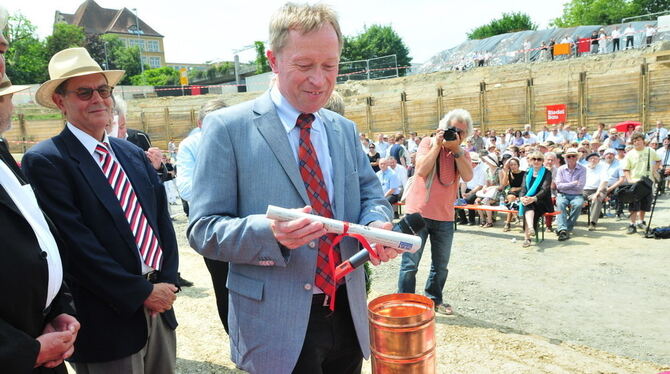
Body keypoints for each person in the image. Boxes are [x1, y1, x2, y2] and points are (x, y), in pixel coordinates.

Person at [186, 4, 401, 373]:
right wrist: (268, 234)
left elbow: (371, 196)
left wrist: (377, 225)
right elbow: (203, 230)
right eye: (304, 66)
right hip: (274, 324)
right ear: (273, 60)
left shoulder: (342, 129)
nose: (319, 80)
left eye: (330, 66)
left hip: (345, 311)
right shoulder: (227, 128)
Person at [22, 47, 180, 373]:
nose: (98, 99)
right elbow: (76, 245)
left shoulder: (130, 153)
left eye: (103, 90)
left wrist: (166, 281)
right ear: (59, 102)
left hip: (159, 307)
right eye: (84, 92)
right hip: (107, 320)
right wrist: (140, 292)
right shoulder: (48, 161)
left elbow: (161, 221)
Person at [0, 48, 81, 373]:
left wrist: (56, 307)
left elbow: (37, 238)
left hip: (42, 342)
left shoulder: (2, 152)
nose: (11, 102)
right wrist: (20, 351)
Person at [398, 109, 474, 316]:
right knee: (409, 263)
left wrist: (456, 149)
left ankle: (434, 299)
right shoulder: (427, 142)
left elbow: (468, 176)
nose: (456, 134)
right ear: (443, 127)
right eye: (453, 130)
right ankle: (405, 301)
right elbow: (421, 171)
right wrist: (438, 145)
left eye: (462, 132)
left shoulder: (462, 152)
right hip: (418, 213)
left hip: (445, 216)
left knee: (441, 265)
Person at [174, 97, 230, 332]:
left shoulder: (242, 139)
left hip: (246, 225)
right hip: (214, 228)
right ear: (199, 124)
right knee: (223, 286)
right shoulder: (190, 146)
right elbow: (185, 189)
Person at [623, 133, 660, 234]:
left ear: (643, 141)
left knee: (645, 203)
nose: (636, 142)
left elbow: (658, 160)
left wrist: (654, 170)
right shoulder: (630, 154)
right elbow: (626, 169)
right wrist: (629, 180)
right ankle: (632, 224)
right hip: (635, 182)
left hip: (647, 181)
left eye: (638, 140)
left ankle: (641, 221)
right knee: (633, 203)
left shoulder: (650, 151)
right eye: (634, 141)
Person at [519, 151, 554, 248]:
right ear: (530, 161)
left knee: (529, 205)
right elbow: (523, 189)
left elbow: (545, 189)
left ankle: (527, 238)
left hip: (542, 200)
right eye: (534, 159)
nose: (536, 161)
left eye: (539, 159)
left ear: (542, 161)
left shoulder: (547, 173)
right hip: (528, 199)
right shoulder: (527, 173)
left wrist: (534, 198)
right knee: (527, 204)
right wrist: (522, 197)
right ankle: (530, 229)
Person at [554, 148, 586, 241]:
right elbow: (559, 186)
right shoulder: (560, 169)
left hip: (577, 195)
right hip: (563, 194)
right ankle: (563, 229)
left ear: (577, 157)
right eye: (569, 156)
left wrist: (566, 185)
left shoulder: (583, 169)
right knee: (560, 204)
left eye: (573, 156)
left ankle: (564, 228)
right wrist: (573, 183)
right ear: (566, 158)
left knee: (578, 204)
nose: (571, 158)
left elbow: (580, 186)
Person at [475, 153, 504, 227]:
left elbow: (501, 186)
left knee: (486, 201)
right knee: (477, 201)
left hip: (498, 193)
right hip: (488, 192)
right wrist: (485, 187)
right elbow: (486, 183)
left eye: (487, 161)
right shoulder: (487, 170)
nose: (485, 162)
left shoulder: (499, 171)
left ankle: (490, 221)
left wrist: (491, 187)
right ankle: (483, 220)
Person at [457, 152, 485, 225]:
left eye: (475, 163)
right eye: (472, 162)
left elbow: (480, 186)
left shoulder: (482, 171)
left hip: (477, 191)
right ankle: (463, 219)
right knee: (457, 198)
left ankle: (471, 220)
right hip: (467, 189)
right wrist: (463, 193)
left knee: (469, 200)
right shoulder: (465, 169)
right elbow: (463, 183)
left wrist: (469, 193)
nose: (473, 164)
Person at [582, 153, 608, 231]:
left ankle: (593, 223)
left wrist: (597, 193)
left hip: (599, 189)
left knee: (597, 198)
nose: (593, 160)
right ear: (588, 160)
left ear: (598, 160)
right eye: (591, 158)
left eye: (595, 158)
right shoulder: (583, 168)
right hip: (584, 190)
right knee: (575, 199)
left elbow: (604, 182)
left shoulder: (602, 168)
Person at [501, 157, 524, 231]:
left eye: (515, 164)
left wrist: (517, 189)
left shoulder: (524, 173)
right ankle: (516, 217)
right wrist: (506, 172)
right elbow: (503, 184)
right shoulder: (509, 173)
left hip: (522, 191)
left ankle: (507, 223)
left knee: (511, 203)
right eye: (511, 165)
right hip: (512, 192)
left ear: (518, 165)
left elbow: (526, 186)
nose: (513, 166)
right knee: (511, 198)